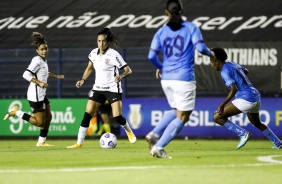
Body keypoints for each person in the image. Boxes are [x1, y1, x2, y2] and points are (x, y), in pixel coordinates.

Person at [145, 0, 212, 158]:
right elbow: (201, 48)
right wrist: (212, 55)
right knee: (183, 116)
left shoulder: (161, 31)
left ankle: (154, 134)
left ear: (166, 13)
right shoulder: (190, 27)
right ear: (181, 11)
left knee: (176, 110)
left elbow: (151, 56)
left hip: (166, 78)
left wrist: (161, 67)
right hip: (183, 78)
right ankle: (159, 148)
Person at [67, 27, 136, 148]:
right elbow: (89, 68)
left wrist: (121, 75)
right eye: (99, 41)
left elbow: (128, 70)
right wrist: (82, 79)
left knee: (117, 117)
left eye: (103, 41)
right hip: (98, 88)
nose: (101, 43)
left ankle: (129, 131)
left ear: (107, 41)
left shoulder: (114, 54)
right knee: (87, 114)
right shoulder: (93, 53)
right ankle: (79, 143)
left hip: (113, 88)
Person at [210, 47, 282, 149]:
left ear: (217, 61)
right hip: (255, 96)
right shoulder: (232, 64)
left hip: (246, 98)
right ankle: (278, 143)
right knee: (257, 123)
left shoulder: (224, 71)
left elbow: (233, 89)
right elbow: (246, 71)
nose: (211, 64)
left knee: (217, 117)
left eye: (212, 62)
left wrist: (223, 104)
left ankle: (243, 133)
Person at [3, 32, 65, 146]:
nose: (44, 51)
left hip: (42, 94)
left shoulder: (43, 61)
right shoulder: (36, 60)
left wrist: (56, 76)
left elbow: (43, 73)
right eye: (42, 49)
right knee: (39, 122)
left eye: (46, 48)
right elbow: (26, 75)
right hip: (35, 95)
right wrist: (39, 82)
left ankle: (41, 142)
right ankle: (16, 111)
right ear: (37, 50)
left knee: (49, 117)